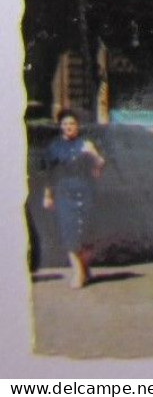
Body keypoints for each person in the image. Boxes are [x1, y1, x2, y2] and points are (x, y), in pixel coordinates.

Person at [41, 110, 105, 288]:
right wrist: (48, 195)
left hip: (86, 192)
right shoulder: (54, 147)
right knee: (69, 232)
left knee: (86, 234)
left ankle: (85, 267)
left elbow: (98, 171)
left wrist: (94, 154)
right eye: (65, 124)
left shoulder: (87, 144)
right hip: (64, 193)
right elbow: (49, 174)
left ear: (78, 126)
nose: (69, 127)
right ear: (60, 126)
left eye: (72, 124)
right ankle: (78, 272)